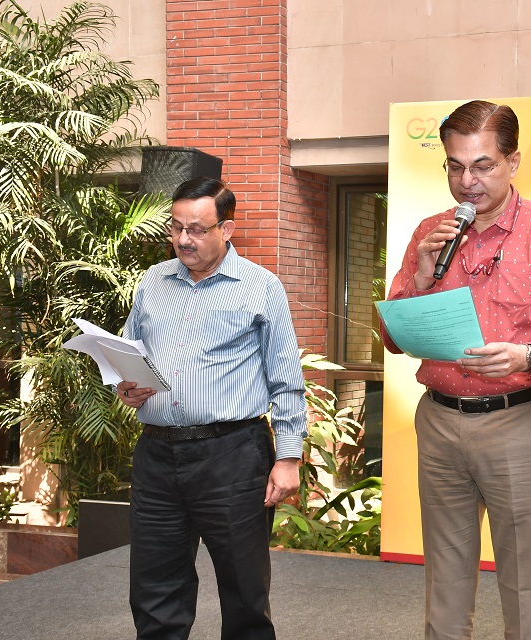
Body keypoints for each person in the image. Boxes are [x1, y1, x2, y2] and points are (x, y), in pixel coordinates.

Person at [384, 100, 531, 640]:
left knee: (524, 583)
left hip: (517, 421)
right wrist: (419, 278)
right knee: (444, 580)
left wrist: (528, 357)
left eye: (483, 166)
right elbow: (393, 338)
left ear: (513, 162)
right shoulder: (431, 233)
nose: (467, 182)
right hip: (439, 422)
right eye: (456, 166)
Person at [116, 176, 307, 640]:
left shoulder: (261, 287)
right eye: (176, 227)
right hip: (157, 456)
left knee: (244, 592)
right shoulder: (153, 281)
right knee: (154, 590)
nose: (184, 239)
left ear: (227, 229)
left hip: (232, 456)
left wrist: (288, 458)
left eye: (198, 229)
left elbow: (286, 379)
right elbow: (126, 351)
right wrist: (124, 387)